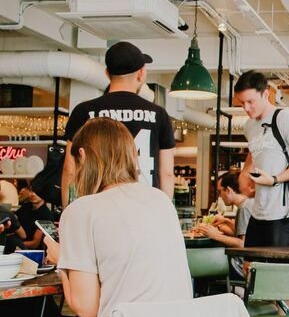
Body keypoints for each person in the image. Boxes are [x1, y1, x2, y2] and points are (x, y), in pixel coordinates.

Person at [22, 118, 192, 317]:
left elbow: (86, 309)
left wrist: (62, 262)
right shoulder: (160, 202)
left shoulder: (82, 210)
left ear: (83, 156)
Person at [61, 41, 176, 206]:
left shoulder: (84, 111)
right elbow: (166, 173)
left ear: (107, 73)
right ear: (141, 74)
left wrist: (68, 212)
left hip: (98, 206)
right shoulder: (159, 115)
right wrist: (165, 213)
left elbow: (70, 169)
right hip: (145, 206)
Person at [235, 70, 289, 248]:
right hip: (258, 211)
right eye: (242, 103)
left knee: (274, 271)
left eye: (250, 102)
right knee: (250, 266)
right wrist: (244, 174)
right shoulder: (249, 126)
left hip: (283, 212)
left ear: (266, 94)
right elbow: (255, 152)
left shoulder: (284, 119)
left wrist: (274, 179)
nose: (246, 108)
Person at [195, 171, 253, 282]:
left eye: (220, 191)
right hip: (251, 264)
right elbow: (248, 234)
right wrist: (226, 221)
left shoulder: (244, 208)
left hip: (242, 267)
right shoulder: (248, 203)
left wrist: (216, 235)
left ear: (228, 190)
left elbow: (244, 244)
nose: (220, 195)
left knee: (207, 264)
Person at [13, 180, 54, 250]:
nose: (33, 194)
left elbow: (35, 243)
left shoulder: (46, 215)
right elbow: (13, 218)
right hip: (19, 247)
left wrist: (14, 245)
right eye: (32, 191)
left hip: (34, 253)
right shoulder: (26, 207)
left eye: (37, 192)